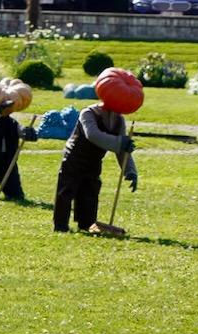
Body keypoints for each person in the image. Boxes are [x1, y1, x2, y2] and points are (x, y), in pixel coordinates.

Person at [52, 102, 135, 237]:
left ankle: (86, 224)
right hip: (74, 158)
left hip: (94, 161)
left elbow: (122, 150)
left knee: (90, 191)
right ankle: (61, 225)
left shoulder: (119, 120)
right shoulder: (89, 113)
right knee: (67, 191)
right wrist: (119, 142)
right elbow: (93, 135)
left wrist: (130, 170)